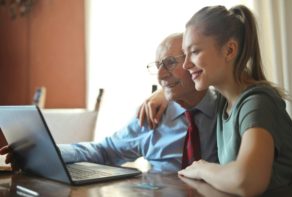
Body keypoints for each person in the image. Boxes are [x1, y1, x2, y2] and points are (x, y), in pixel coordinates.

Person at [139, 5, 292, 196]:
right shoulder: (225, 102)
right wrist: (163, 94)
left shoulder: (257, 103)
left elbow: (246, 181)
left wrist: (201, 168)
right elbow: (193, 95)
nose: (186, 64)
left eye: (195, 52)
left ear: (229, 50)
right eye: (185, 54)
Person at [0, 33, 219, 173]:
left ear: (196, 62)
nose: (160, 74)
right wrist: (46, 151)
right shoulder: (152, 115)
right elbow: (105, 151)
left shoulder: (229, 108)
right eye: (158, 65)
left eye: (170, 63)